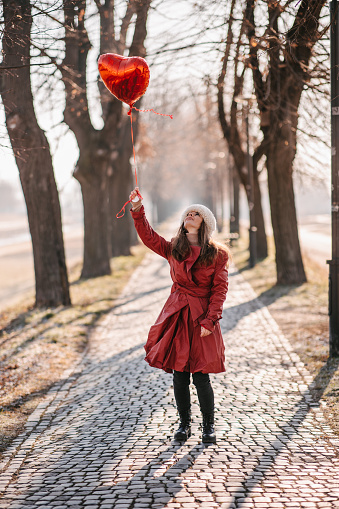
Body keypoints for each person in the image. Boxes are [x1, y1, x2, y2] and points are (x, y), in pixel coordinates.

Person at [129, 187, 230, 444]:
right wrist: (138, 210)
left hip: (202, 319)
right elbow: (150, 238)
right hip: (177, 315)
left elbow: (219, 290)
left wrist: (210, 319)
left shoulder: (218, 254)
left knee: (201, 375)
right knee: (180, 374)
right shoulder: (174, 247)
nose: (190, 215)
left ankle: (209, 426)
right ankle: (184, 424)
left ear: (204, 223)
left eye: (196, 214)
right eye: (188, 213)